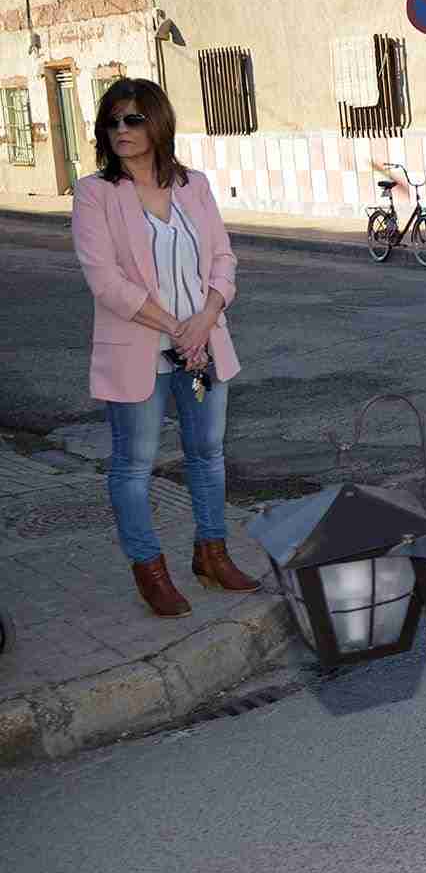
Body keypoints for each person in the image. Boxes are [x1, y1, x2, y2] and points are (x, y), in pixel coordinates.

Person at [72, 78, 258, 616]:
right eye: (112, 121)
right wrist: (178, 327)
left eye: (132, 120)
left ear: (157, 123)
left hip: (202, 343)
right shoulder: (95, 193)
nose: (121, 131)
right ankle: (149, 568)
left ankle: (212, 553)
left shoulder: (193, 185)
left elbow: (223, 259)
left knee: (208, 455)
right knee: (134, 463)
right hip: (140, 348)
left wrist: (206, 316)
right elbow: (104, 281)